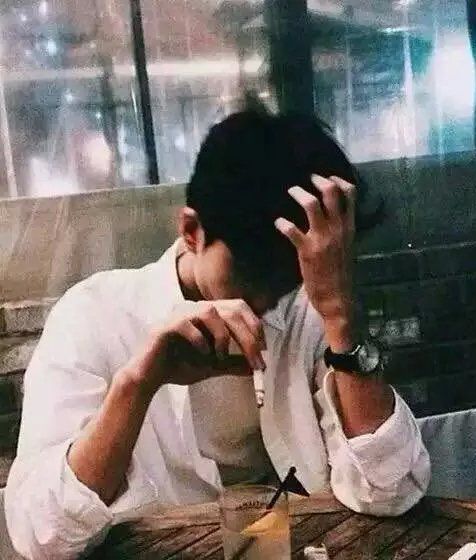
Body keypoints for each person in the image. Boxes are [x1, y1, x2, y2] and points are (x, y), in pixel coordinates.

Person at [5, 108, 430, 559]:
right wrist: (138, 384)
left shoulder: (309, 311)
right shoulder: (94, 316)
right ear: (192, 231)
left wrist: (342, 317)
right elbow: (40, 536)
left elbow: (393, 491)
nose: (265, 299)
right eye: (250, 271)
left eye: (285, 277)